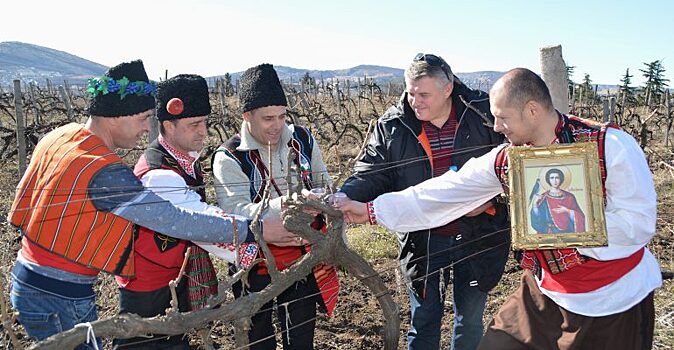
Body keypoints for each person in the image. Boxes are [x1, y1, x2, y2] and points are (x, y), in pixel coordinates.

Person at [338, 68, 661, 349]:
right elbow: (446, 192)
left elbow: (639, 222)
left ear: (532, 111)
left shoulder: (610, 146)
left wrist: (571, 225)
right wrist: (371, 211)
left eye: (502, 117)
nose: (495, 127)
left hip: (613, 298)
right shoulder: (508, 159)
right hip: (545, 290)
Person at [7, 61, 284, 349]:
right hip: (62, 293)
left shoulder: (60, 136)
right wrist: (256, 230)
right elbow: (176, 220)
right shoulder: (105, 170)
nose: (146, 128)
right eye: (142, 118)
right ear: (116, 116)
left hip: (27, 278)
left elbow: (24, 197)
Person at [338, 53, 509, 350]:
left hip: (479, 233)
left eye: (424, 94)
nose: (415, 101)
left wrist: (493, 199)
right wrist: (347, 194)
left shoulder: (483, 114)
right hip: (424, 238)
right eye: (411, 93)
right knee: (423, 321)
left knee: (469, 320)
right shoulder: (394, 126)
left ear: (448, 89)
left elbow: (511, 161)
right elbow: (372, 172)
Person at [211, 63, 339, 350]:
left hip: (304, 259)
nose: (277, 125)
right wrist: (286, 204)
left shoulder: (303, 140)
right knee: (260, 341)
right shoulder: (229, 157)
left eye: (282, 116)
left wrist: (324, 201)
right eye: (268, 118)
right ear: (247, 116)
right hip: (255, 269)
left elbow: (326, 185)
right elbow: (235, 213)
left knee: (302, 339)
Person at [530, 168, 586, 234]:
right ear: (548, 180)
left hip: (568, 233)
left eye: (557, 178)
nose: (555, 181)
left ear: (561, 179)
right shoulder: (543, 197)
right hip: (549, 233)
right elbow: (537, 221)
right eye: (552, 178)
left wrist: (567, 211)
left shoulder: (569, 197)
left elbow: (581, 217)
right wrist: (534, 205)